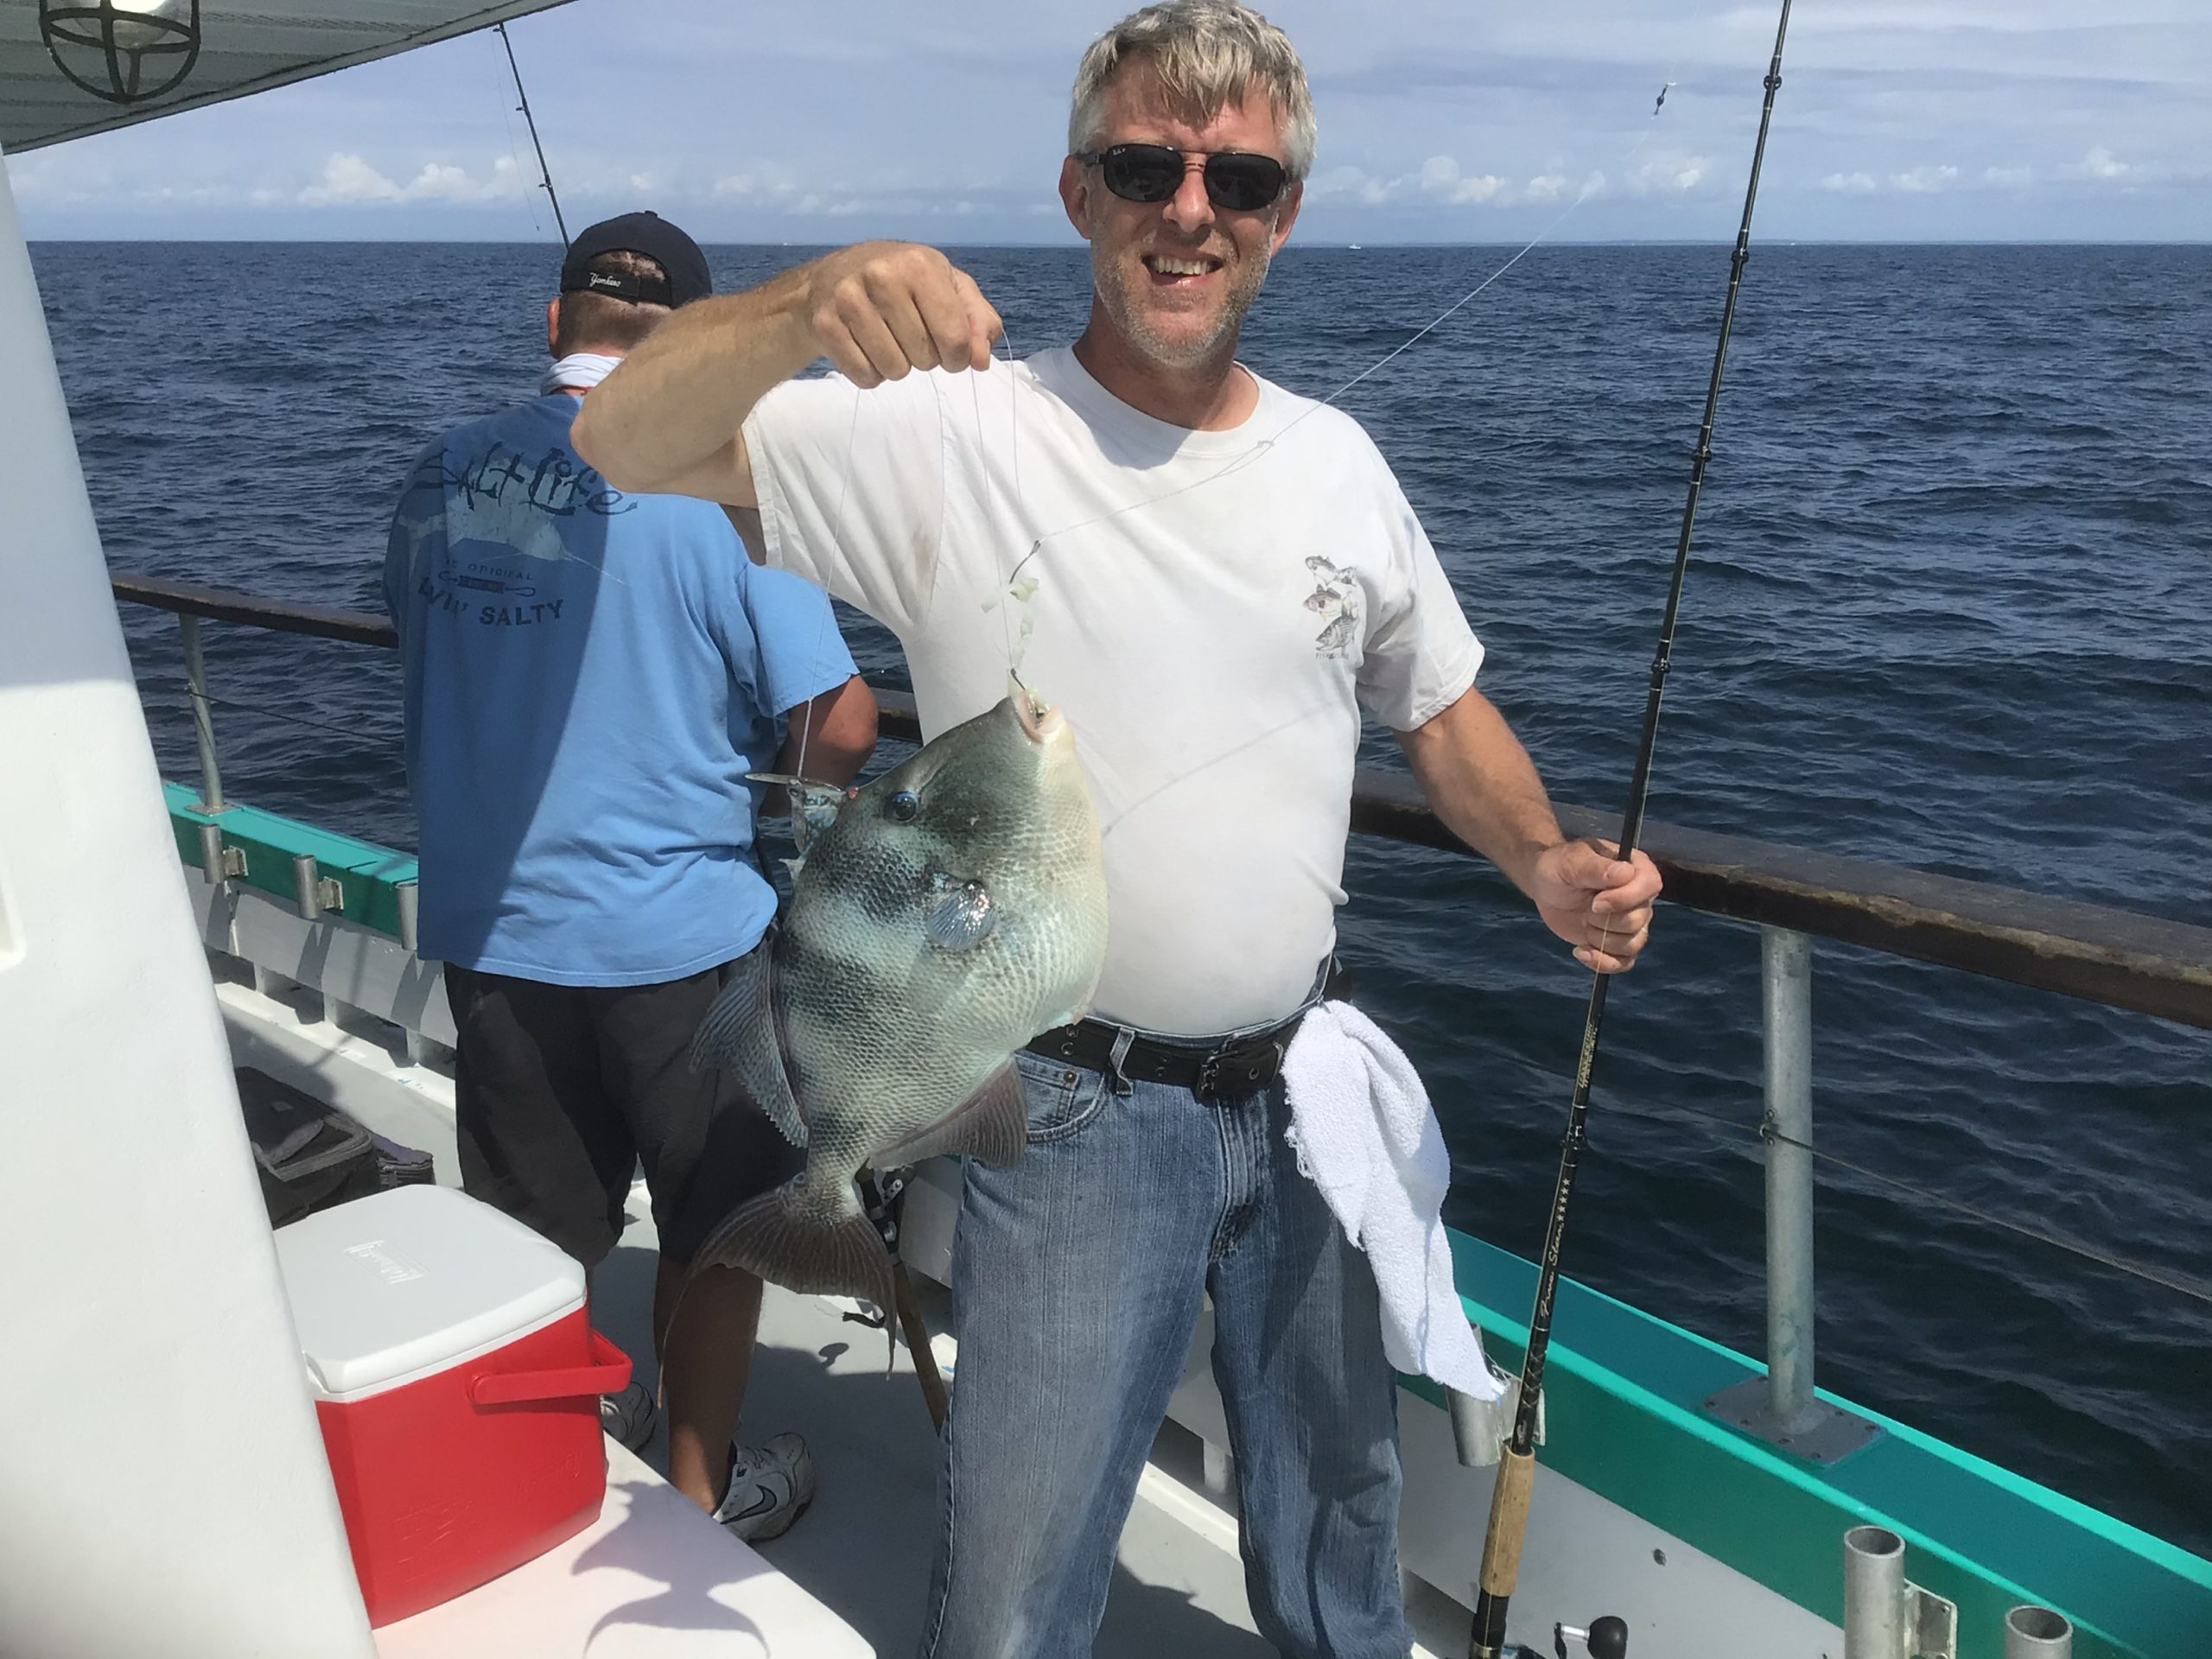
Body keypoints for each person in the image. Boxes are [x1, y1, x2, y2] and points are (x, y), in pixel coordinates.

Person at [575, 6, 1662, 1650]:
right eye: (1147, 165)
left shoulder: (1339, 465)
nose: (1191, 207)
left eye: (1239, 177)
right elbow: (620, 438)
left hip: (1302, 1094)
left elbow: (1436, 708)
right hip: (1068, 1110)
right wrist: (806, 300)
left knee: (1342, 1536)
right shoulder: (949, 433)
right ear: (1081, 192)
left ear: (1282, 215)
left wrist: (1541, 861)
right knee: (1019, 1584)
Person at [382, 211, 877, 1543]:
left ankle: (557, 1457)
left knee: (535, 1235)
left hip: (490, 930)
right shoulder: (720, 490)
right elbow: (838, 722)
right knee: (718, 1234)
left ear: (557, 325)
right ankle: (700, 1503)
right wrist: (797, 827)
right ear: (702, 350)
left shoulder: (436, 472)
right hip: (683, 947)